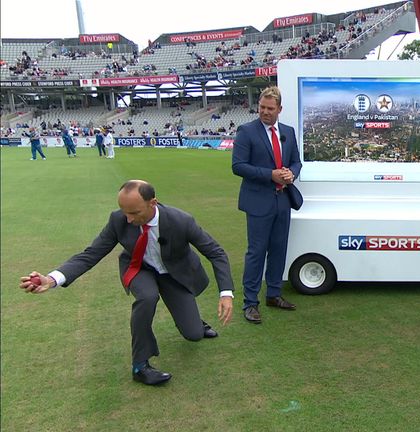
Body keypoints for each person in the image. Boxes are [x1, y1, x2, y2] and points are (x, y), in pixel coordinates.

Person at [19, 180, 235, 385]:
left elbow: (216, 253)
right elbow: (91, 254)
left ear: (153, 203)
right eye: (124, 212)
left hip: (173, 274)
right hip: (138, 269)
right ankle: (140, 367)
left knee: (194, 335)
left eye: (134, 213)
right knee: (147, 297)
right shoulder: (118, 220)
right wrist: (51, 279)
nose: (128, 219)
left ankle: (196, 323)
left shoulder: (181, 220)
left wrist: (226, 293)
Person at [232, 86, 302, 324]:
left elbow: (296, 162)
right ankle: (250, 303)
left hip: (283, 201)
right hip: (258, 202)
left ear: (279, 109)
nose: (265, 112)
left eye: (270, 109)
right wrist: (269, 174)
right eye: (262, 107)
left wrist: (291, 173)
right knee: (256, 253)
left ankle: (274, 294)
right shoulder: (246, 131)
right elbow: (238, 166)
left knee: (279, 249)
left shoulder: (288, 132)